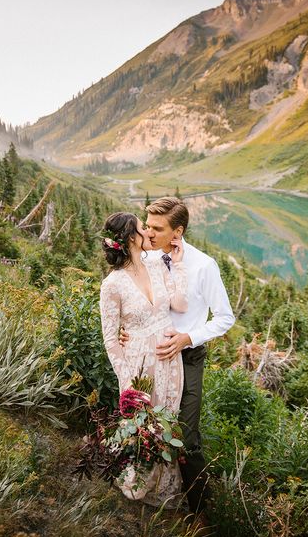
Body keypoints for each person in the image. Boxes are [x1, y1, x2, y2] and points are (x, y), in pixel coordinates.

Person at [122, 197, 235, 515]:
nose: (148, 232)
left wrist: (188, 337)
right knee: (145, 423)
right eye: (147, 225)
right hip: (149, 355)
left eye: (157, 228)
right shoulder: (147, 260)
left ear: (177, 232)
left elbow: (225, 317)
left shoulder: (203, 266)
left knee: (186, 435)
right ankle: (148, 490)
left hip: (187, 358)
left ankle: (202, 513)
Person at [99, 211, 188, 506]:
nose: (149, 233)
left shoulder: (157, 264)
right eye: (142, 229)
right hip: (139, 365)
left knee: (166, 424)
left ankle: (163, 487)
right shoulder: (112, 284)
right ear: (130, 239)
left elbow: (180, 304)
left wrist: (178, 264)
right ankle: (138, 483)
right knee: (144, 428)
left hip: (169, 359)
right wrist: (127, 383)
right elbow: (111, 339)